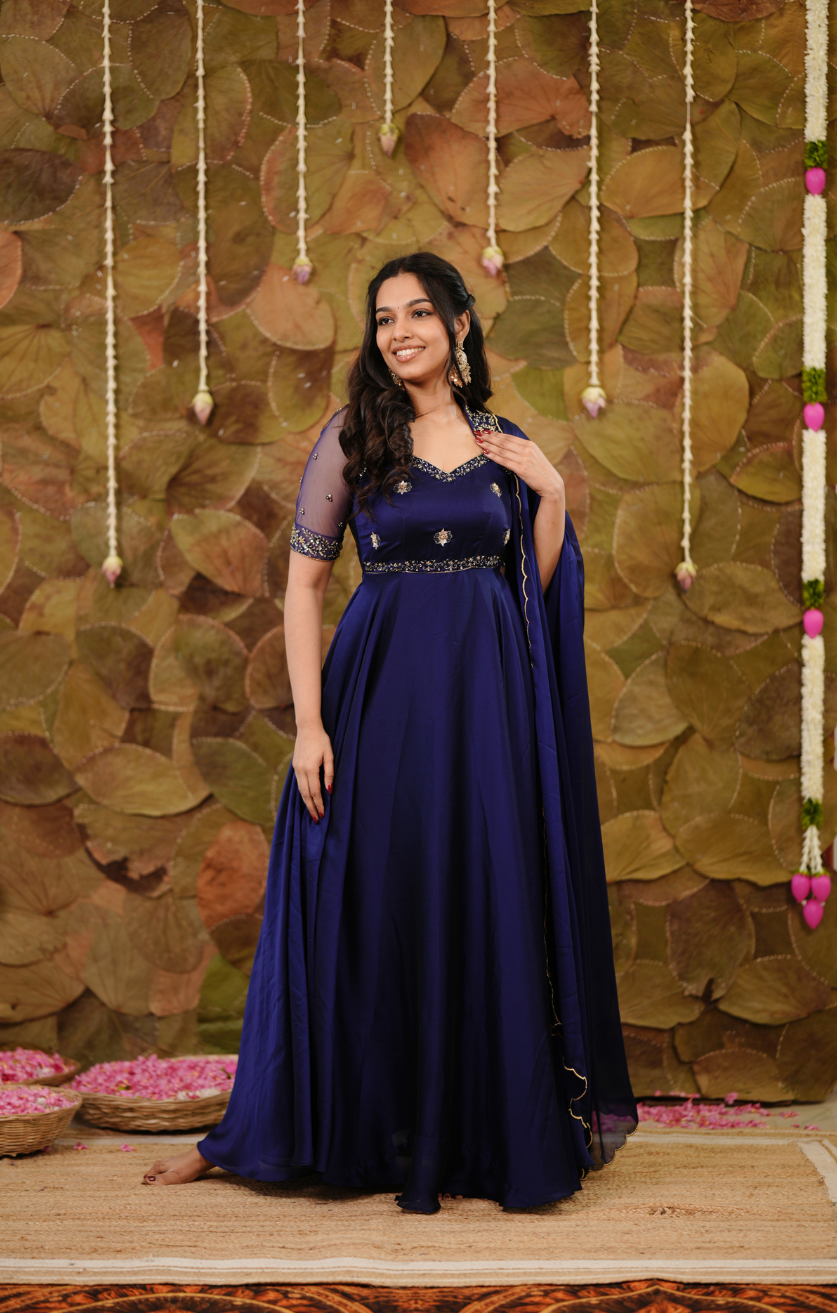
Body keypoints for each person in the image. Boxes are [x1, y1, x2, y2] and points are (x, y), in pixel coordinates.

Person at [143, 251, 637, 1212]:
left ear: (459, 326)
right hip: (379, 698)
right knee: (374, 895)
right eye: (383, 318)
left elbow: (530, 592)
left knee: (479, 891)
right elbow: (303, 587)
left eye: (417, 313)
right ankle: (339, 1130)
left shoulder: (500, 442)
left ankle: (476, 1135)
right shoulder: (352, 438)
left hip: (485, 706)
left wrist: (550, 495)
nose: (399, 331)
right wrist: (309, 726)